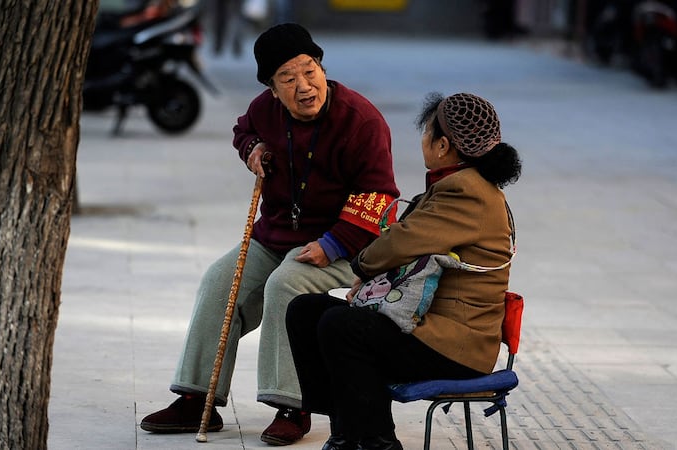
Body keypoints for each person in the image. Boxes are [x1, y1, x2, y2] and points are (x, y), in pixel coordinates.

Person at [140, 23, 400, 446]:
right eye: (288, 77)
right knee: (219, 280)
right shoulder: (265, 110)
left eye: (309, 70)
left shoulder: (361, 120)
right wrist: (253, 149)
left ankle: (293, 405)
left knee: (286, 285)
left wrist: (332, 244)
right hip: (277, 234)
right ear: (272, 88)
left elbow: (379, 197)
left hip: (348, 243)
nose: (304, 86)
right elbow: (243, 130)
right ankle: (196, 396)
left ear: (321, 67)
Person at [286, 92, 522, 450]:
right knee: (307, 310)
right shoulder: (454, 183)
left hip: (455, 348)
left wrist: (361, 267)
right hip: (428, 329)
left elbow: (401, 241)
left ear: (444, 145)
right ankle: (348, 432)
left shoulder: (468, 192)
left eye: (427, 132)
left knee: (344, 327)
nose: (423, 139)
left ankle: (377, 441)